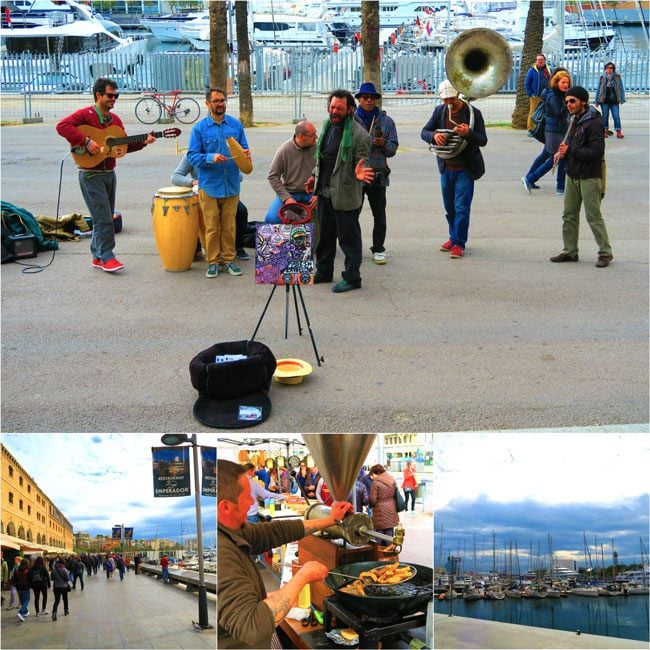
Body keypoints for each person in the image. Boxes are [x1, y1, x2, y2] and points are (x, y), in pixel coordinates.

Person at [217, 459, 353, 648]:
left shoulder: (232, 531)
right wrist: (303, 576)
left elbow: (276, 531)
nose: (252, 502)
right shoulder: (222, 553)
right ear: (225, 507)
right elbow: (253, 628)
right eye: (247, 497)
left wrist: (330, 519)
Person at [55, 77, 156, 273]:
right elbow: (62, 126)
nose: (114, 99)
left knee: (105, 216)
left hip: (109, 173)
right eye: (110, 95)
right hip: (90, 174)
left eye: (116, 96)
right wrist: (86, 142)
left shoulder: (115, 121)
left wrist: (144, 141)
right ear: (98, 95)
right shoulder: (85, 115)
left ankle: (97, 255)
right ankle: (108, 256)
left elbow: (122, 147)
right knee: (103, 219)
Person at [305, 89, 374, 293]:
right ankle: (324, 272)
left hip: (344, 195)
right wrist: (313, 177)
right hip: (324, 193)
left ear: (350, 109)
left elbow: (363, 162)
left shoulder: (359, 135)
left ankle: (353, 278)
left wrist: (359, 172)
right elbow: (322, 159)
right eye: (332, 107)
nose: (334, 111)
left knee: (348, 240)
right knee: (324, 237)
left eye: (339, 108)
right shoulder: (327, 127)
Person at [187, 87, 251, 279]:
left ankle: (229, 260)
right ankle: (214, 262)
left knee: (229, 225)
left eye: (223, 100)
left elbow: (244, 149)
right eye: (216, 101)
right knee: (212, 226)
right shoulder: (199, 128)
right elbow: (192, 156)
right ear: (207, 104)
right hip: (209, 185)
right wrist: (210, 157)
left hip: (231, 183)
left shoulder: (235, 125)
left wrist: (246, 154)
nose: (220, 104)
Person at [420, 79, 487, 259]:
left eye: (451, 99)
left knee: (462, 207)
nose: (448, 103)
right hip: (446, 167)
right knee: (449, 207)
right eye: (445, 100)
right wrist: (435, 136)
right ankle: (453, 236)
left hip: (465, 168)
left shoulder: (473, 113)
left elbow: (483, 140)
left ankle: (459, 243)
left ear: (457, 93)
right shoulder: (439, 111)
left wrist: (469, 133)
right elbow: (424, 132)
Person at [551, 86, 613, 268]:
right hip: (572, 174)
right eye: (567, 101)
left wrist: (571, 150)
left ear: (583, 102)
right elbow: (570, 143)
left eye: (572, 101)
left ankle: (605, 253)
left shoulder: (594, 123)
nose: (568, 104)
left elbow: (596, 152)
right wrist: (561, 152)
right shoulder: (574, 120)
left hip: (589, 176)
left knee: (593, 216)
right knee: (569, 215)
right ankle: (570, 251)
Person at [171, 153, 251, 260]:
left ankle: (238, 247)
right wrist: (193, 182)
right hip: (204, 194)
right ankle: (196, 246)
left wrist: (227, 173)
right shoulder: (192, 153)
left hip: (224, 193)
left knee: (241, 211)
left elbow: (240, 176)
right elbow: (175, 176)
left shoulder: (226, 152)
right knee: (194, 215)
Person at [353, 82, 399, 265]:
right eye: (365, 97)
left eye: (372, 97)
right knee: (352, 214)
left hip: (379, 174)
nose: (369, 100)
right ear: (359, 99)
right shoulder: (351, 119)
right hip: (357, 175)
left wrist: (383, 145)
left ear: (377, 100)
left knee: (379, 215)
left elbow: (393, 149)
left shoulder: (387, 121)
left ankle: (378, 248)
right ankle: (353, 248)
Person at [522, 70, 572, 195]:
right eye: (563, 82)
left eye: (567, 83)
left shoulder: (561, 94)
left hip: (559, 129)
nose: (566, 85)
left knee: (555, 156)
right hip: (553, 130)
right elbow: (559, 112)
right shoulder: (552, 95)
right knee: (556, 157)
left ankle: (560, 186)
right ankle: (530, 178)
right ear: (557, 82)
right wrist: (568, 103)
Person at [265, 120, 318, 237]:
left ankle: (321, 245)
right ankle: (284, 244)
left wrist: (318, 194)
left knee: (329, 217)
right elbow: (272, 176)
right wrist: (286, 198)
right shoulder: (284, 150)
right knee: (271, 219)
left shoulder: (318, 148)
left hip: (313, 195)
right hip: (290, 193)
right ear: (301, 136)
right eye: (312, 135)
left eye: (316, 133)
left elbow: (327, 172)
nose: (316, 137)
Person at [594, 62, 626, 139]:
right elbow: (598, 89)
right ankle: (605, 131)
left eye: (611, 68)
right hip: (604, 100)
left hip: (614, 100)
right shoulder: (602, 77)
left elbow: (621, 88)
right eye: (607, 68)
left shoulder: (617, 77)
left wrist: (622, 98)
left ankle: (618, 132)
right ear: (605, 69)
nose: (609, 69)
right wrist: (596, 101)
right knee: (605, 116)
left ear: (613, 69)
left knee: (616, 116)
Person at [368, 463, 399, 537]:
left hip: (380, 510)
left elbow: (373, 500)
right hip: (392, 507)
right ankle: (390, 548)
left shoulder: (375, 483)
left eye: (372, 474)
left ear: (377, 473)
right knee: (390, 531)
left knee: (379, 533)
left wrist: (370, 505)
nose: (371, 476)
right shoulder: (392, 480)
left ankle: (380, 548)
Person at [525, 54, 552, 134]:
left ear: (544, 60)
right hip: (536, 96)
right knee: (533, 112)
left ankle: (541, 129)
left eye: (542, 59)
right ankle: (531, 129)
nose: (540, 61)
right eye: (539, 59)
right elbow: (527, 83)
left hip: (547, 95)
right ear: (536, 61)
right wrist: (530, 94)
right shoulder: (532, 70)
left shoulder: (549, 70)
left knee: (546, 112)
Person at [13, 558, 31, 622]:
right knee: (27, 600)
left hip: (19, 587)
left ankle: (25, 612)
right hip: (25, 587)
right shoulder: (28, 570)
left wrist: (15, 585)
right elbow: (30, 579)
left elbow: (14, 579)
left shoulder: (17, 570)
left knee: (22, 601)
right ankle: (20, 612)